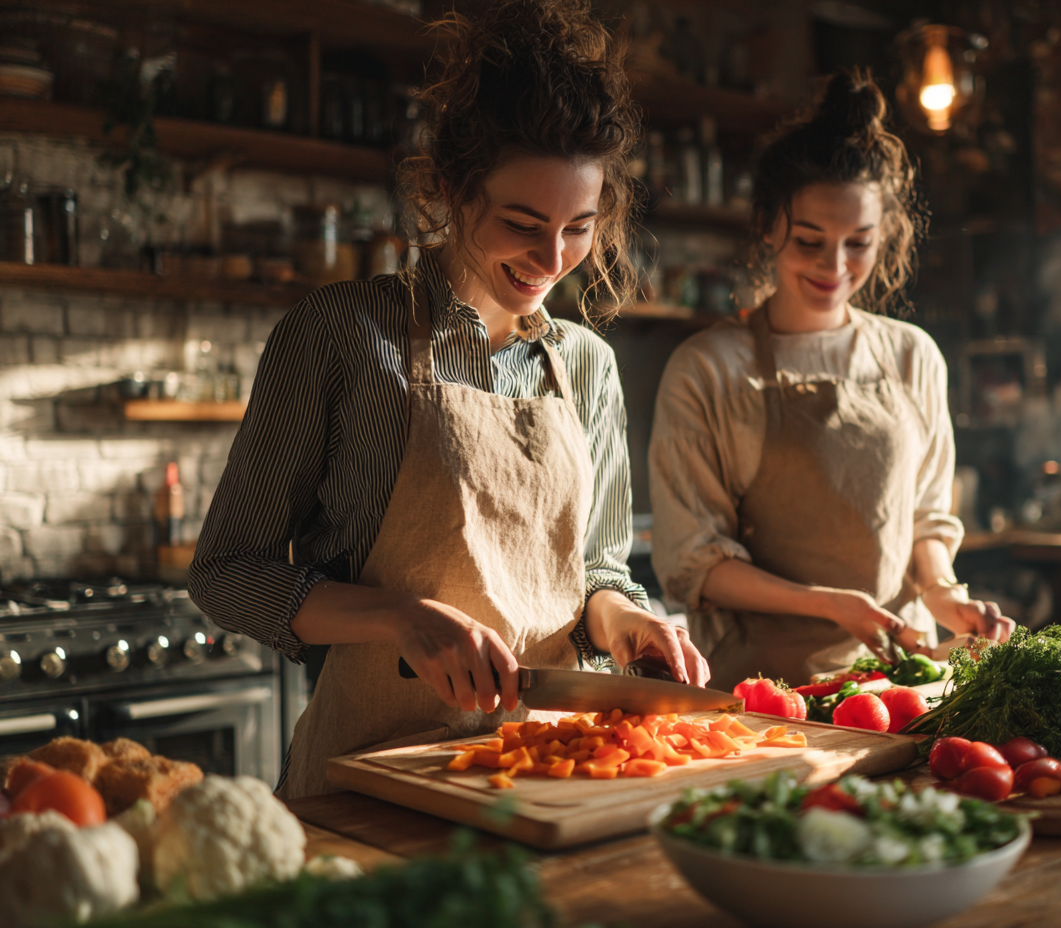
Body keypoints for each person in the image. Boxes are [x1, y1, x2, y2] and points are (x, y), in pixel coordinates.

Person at [189, 0, 708, 801]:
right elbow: (225, 573)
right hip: (366, 778)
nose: (551, 257)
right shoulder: (340, 333)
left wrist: (627, 621)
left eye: (577, 226)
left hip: (547, 773)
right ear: (449, 189)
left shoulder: (587, 366)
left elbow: (597, 571)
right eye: (523, 222)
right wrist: (398, 617)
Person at [648, 71, 1013, 692]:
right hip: (760, 696)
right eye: (811, 240)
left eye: (859, 244)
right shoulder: (708, 369)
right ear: (767, 224)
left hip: (896, 688)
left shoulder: (910, 356)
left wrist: (944, 596)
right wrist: (831, 603)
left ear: (885, 237)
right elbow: (694, 563)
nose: (835, 267)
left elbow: (923, 518)